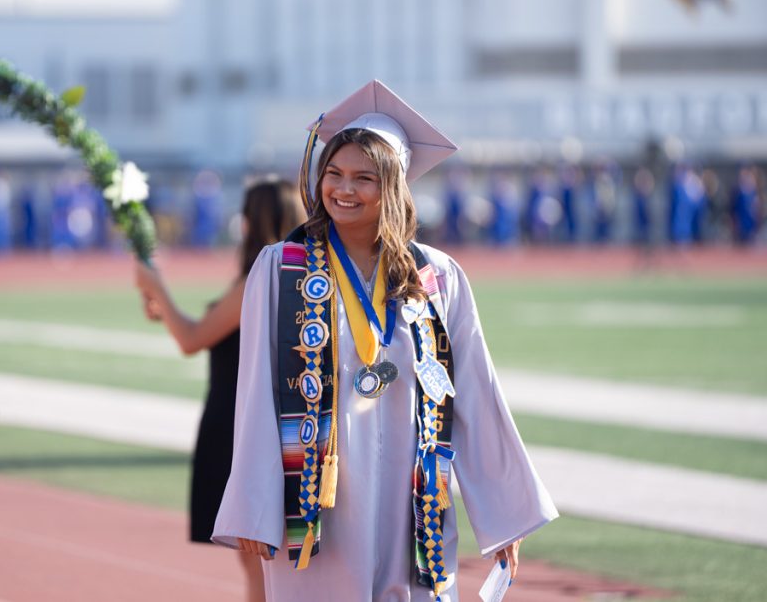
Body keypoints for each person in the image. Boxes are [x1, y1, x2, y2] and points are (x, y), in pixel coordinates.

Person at [212, 80, 558, 601]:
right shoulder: (282, 269)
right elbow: (257, 390)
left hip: (411, 497)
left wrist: (507, 515)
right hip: (320, 499)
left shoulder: (437, 277)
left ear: (393, 187)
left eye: (363, 178)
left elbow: (475, 392)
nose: (343, 190)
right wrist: (254, 505)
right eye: (334, 173)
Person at [134, 178, 306, 602]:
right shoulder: (289, 278)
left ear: (251, 222)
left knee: (258, 563)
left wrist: (157, 286)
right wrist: (164, 308)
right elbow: (204, 332)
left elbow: (193, 338)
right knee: (264, 561)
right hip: (256, 422)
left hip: (239, 426)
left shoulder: (256, 280)